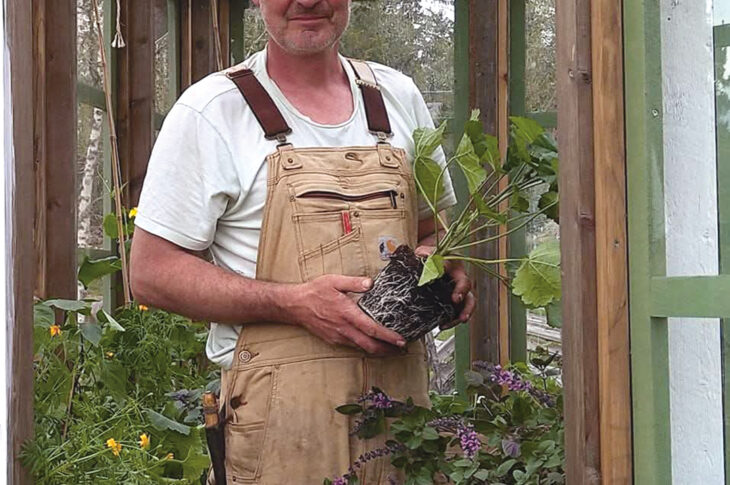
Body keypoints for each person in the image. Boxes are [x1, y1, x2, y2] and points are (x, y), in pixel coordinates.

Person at [130, 0, 475, 483]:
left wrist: (441, 267)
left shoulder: (397, 96)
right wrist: (292, 303)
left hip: (403, 430)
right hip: (281, 433)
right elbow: (151, 273)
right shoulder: (211, 111)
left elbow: (432, 229)